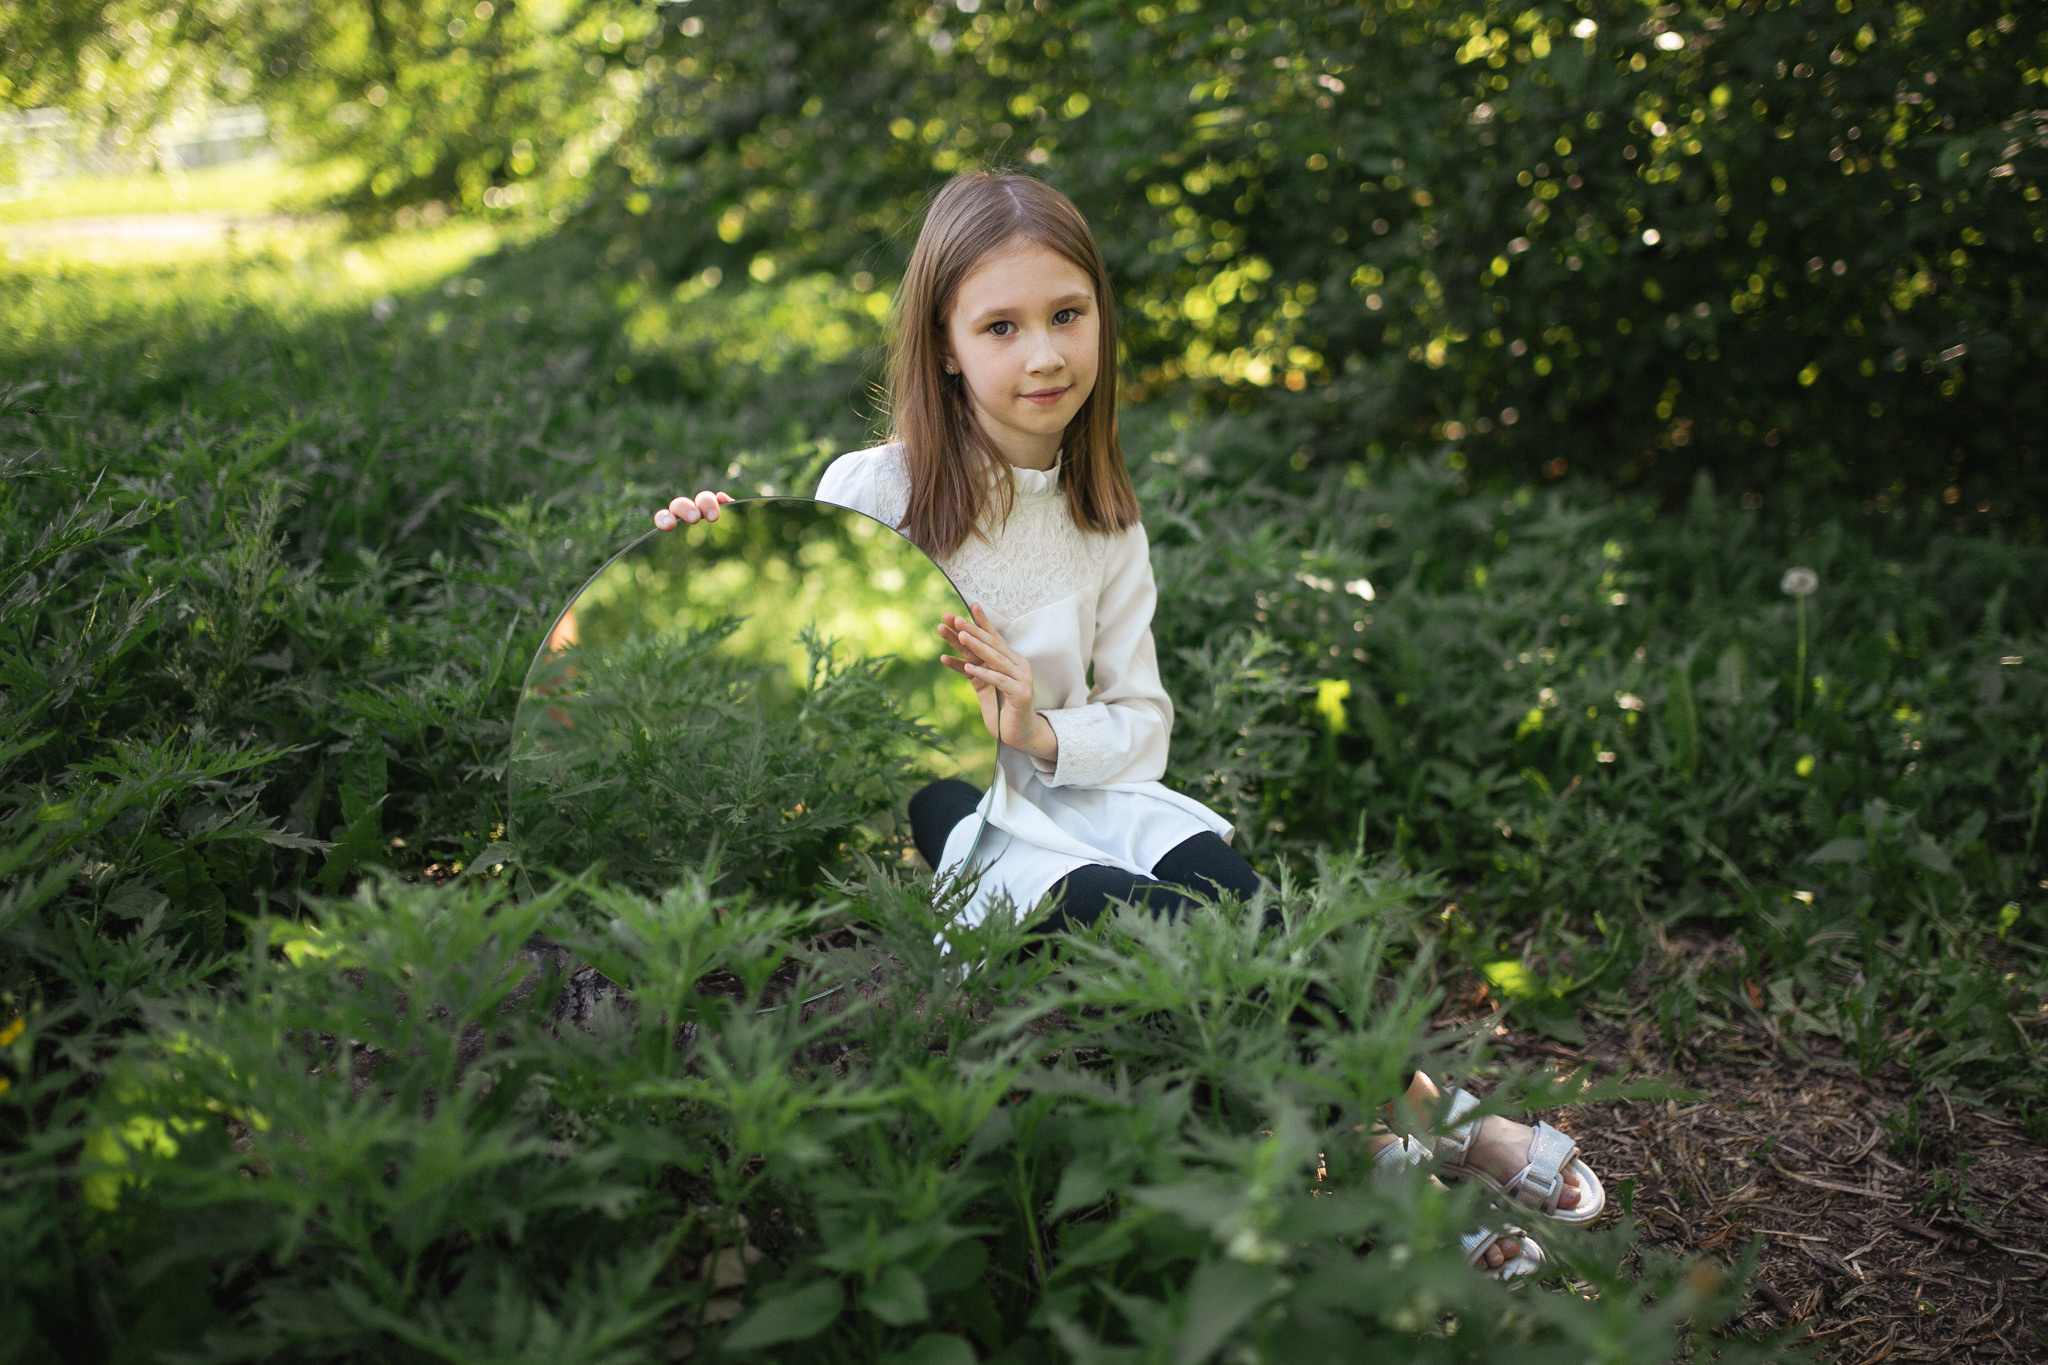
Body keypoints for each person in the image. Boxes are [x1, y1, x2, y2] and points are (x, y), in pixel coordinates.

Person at [655, 172, 1603, 1272]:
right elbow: (788, 658)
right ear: (944, 344)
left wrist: (1043, 733)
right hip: (958, 825)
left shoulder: (1104, 516)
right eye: (999, 326)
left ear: (1102, 316)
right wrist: (707, 553)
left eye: (1066, 315)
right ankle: (1442, 1141)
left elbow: (1142, 719)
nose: (1043, 355)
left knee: (1241, 908)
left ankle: (1392, 1142)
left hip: (1083, 790)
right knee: (1159, 928)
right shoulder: (877, 490)